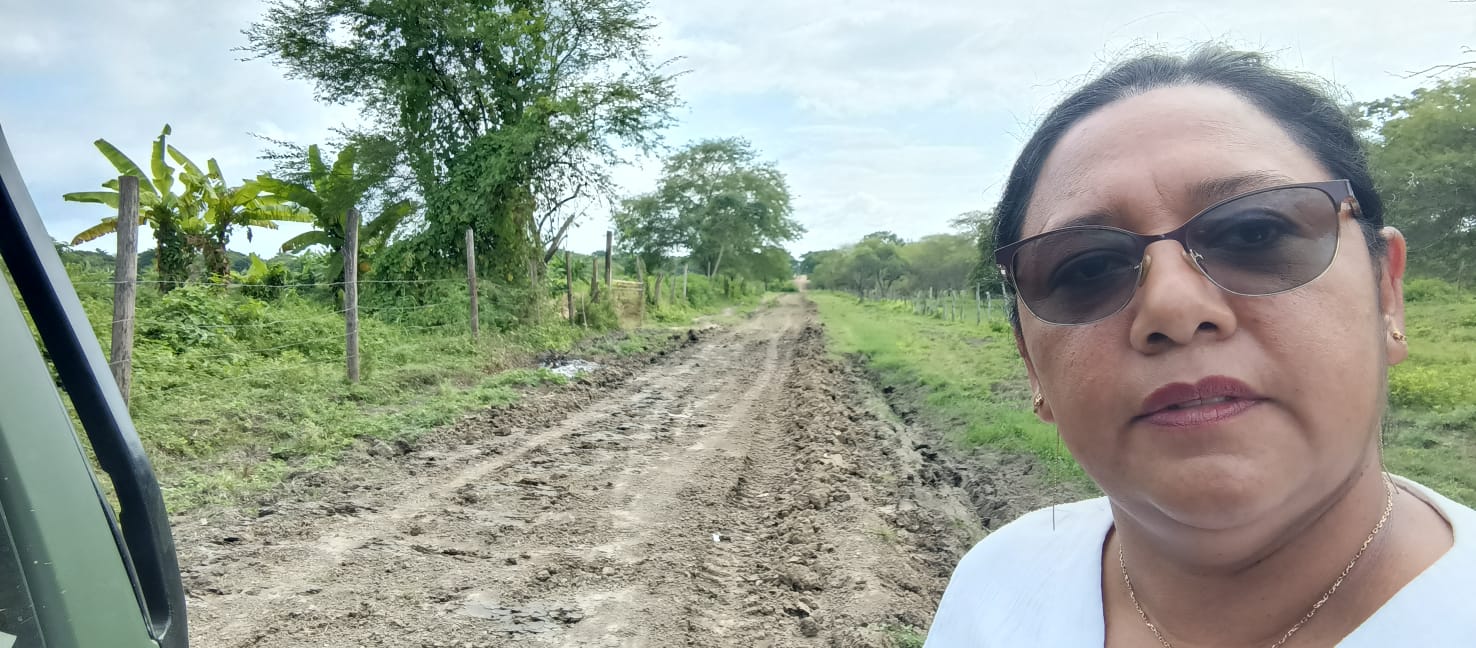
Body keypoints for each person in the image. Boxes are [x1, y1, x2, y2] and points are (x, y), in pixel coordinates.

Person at [925, 46, 1476, 647]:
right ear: (1032, 365)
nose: (1174, 309)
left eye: (1255, 232)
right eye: (1087, 268)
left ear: (1386, 292)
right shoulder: (994, 590)